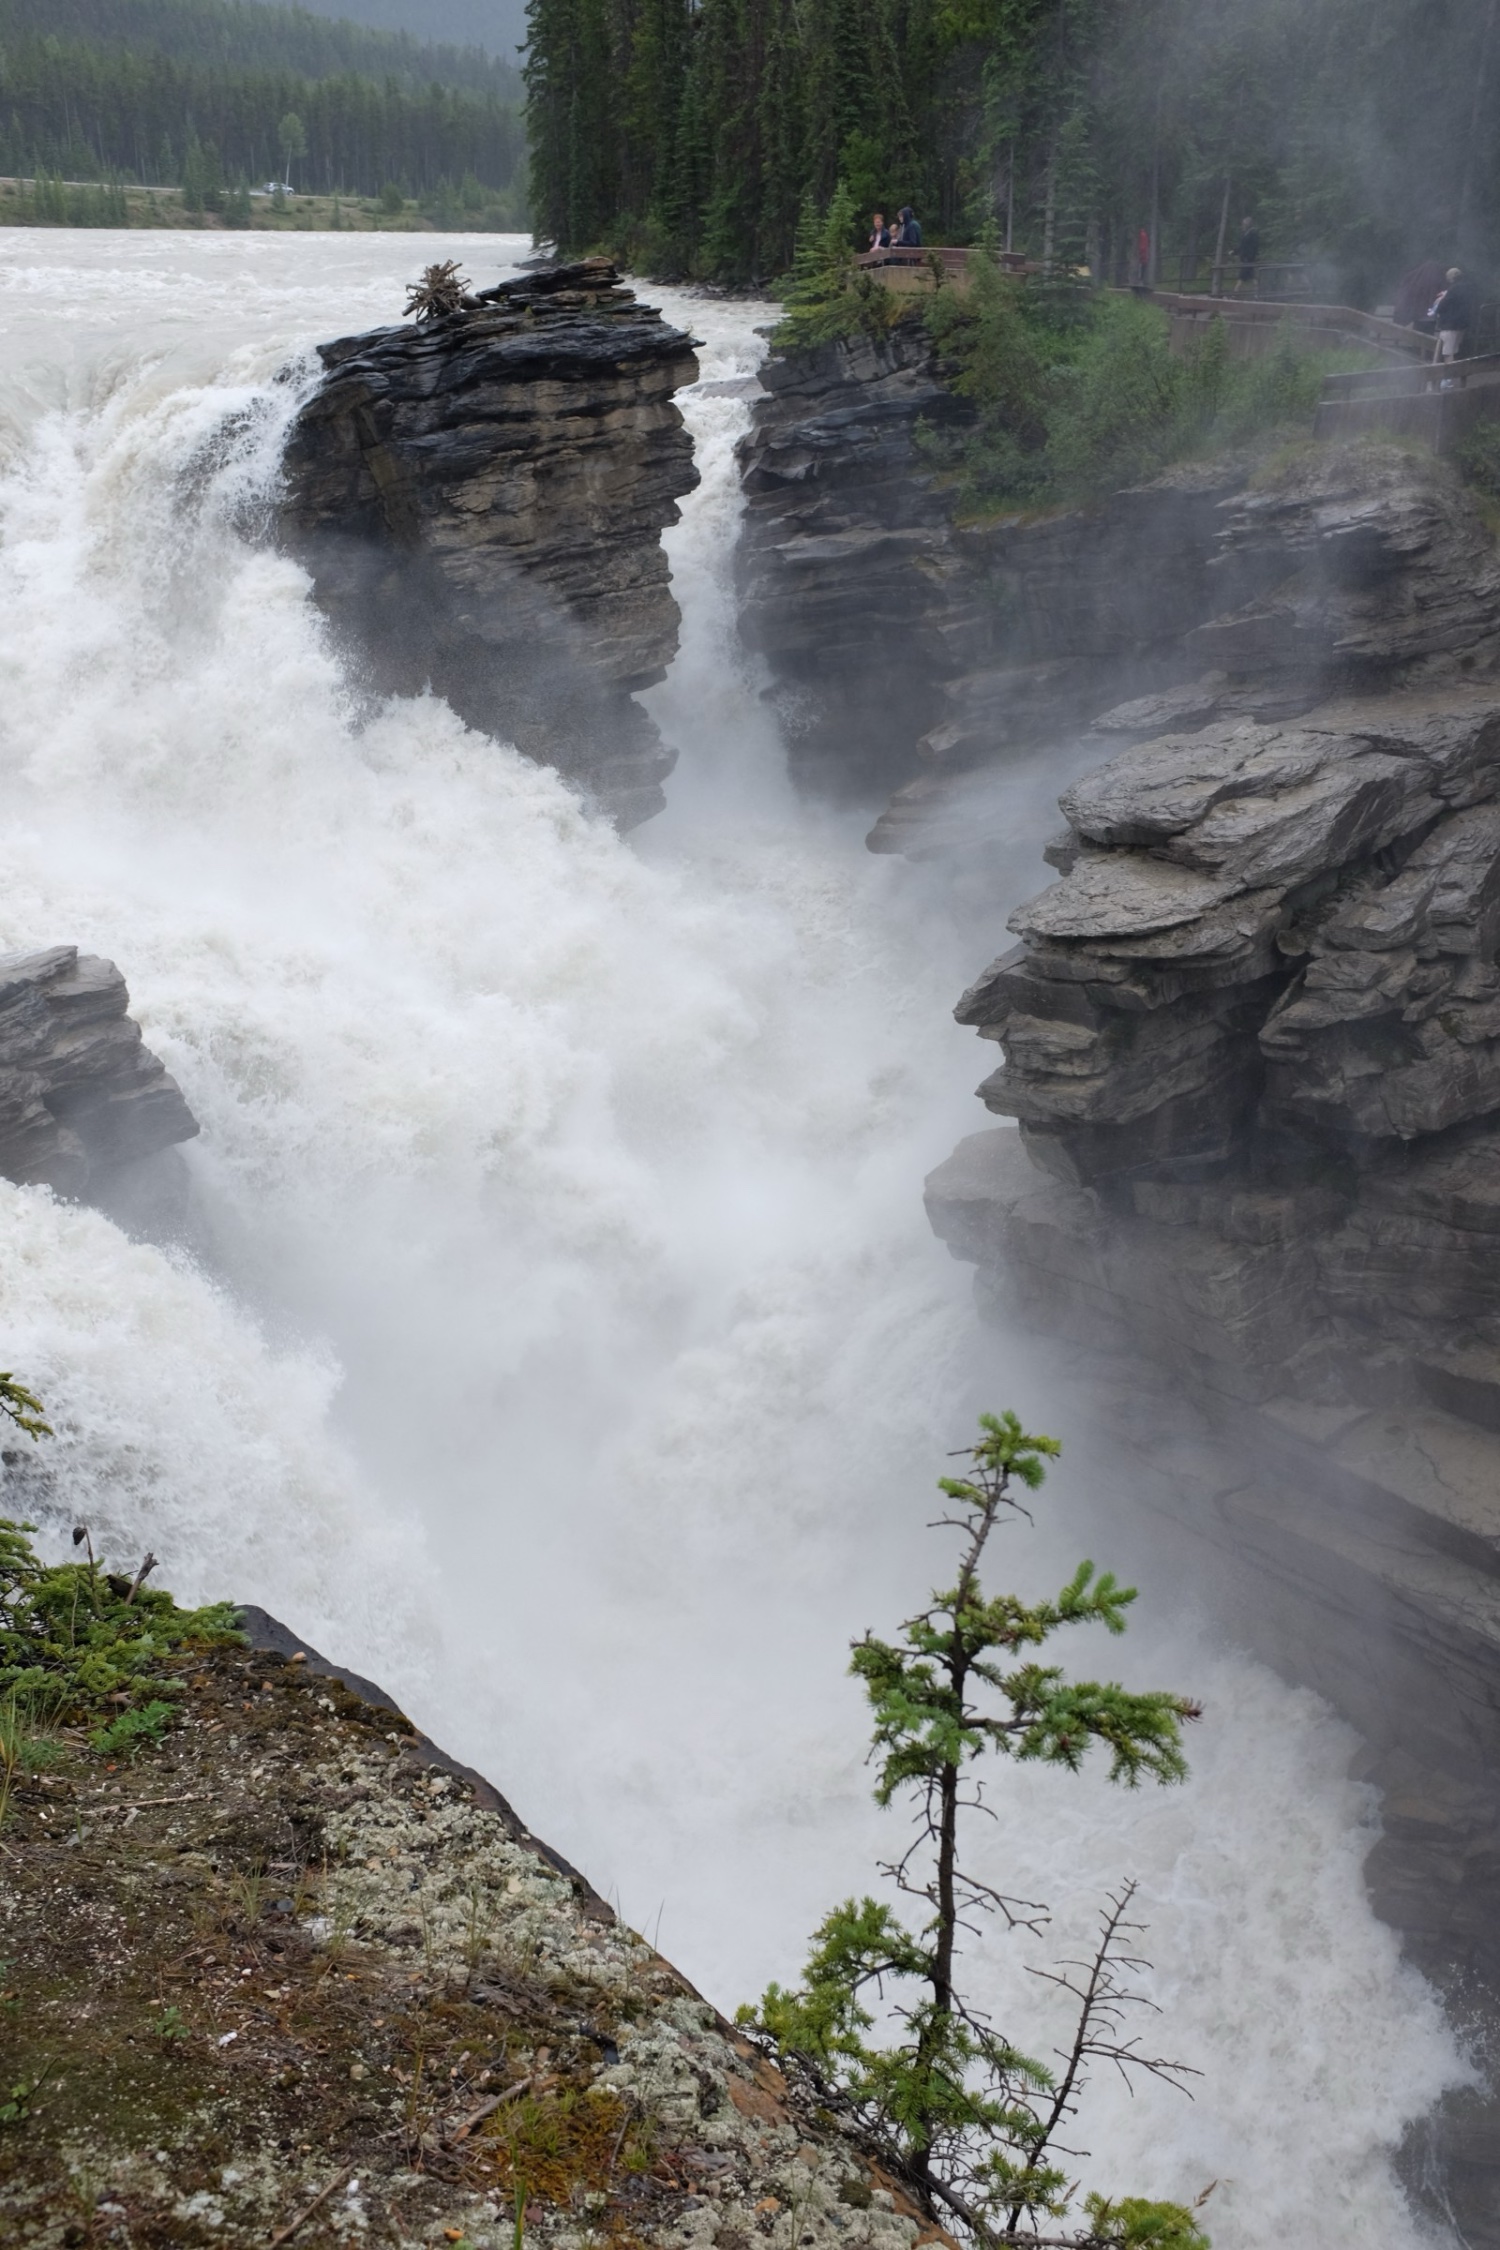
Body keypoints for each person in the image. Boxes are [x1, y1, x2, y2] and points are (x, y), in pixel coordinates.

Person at [1430, 266, 1478, 362]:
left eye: (1448, 277)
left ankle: (1448, 376)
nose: (1447, 279)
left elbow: (1443, 305)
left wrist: (1437, 306)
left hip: (1450, 325)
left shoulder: (1454, 288)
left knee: (1447, 353)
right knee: (1454, 350)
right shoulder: (1468, 287)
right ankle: (1452, 374)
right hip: (1462, 324)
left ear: (1452, 277)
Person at [1393, 259, 1446, 331]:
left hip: (1419, 316)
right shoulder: (1438, 281)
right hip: (1430, 318)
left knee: (1417, 337)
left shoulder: (1416, 280)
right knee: (1426, 338)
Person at [1236, 216, 1260, 294]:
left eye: (1244, 224)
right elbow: (1242, 246)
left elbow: (1253, 246)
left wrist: (1249, 257)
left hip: (1248, 259)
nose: (1243, 225)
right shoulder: (1246, 233)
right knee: (1252, 276)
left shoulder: (1253, 233)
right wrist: (1234, 251)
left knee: (1242, 276)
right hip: (1245, 258)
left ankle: (1235, 292)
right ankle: (1257, 291)